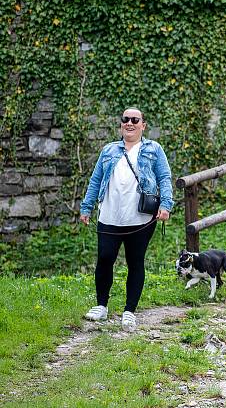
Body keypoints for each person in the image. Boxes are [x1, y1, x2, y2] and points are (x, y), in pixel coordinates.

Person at [79, 108, 173, 331]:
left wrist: (166, 204)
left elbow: (164, 177)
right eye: (125, 119)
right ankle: (101, 305)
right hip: (109, 215)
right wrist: (86, 206)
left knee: (135, 261)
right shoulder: (109, 150)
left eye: (134, 120)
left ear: (143, 125)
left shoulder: (153, 149)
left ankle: (129, 311)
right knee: (105, 258)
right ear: (121, 124)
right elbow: (95, 180)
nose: (129, 123)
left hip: (140, 218)